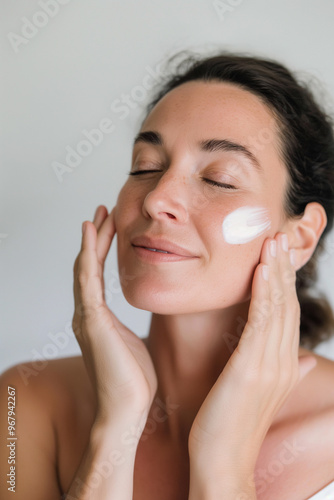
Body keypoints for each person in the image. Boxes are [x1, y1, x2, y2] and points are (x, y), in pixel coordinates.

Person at [1, 50, 334, 500]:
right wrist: (116, 428)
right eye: (146, 167)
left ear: (300, 237)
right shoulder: (23, 402)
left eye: (219, 178)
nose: (157, 199)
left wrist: (223, 463)